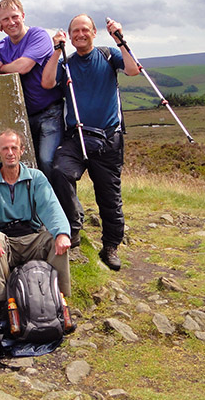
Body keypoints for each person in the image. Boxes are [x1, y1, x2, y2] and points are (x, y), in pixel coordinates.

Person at [42, 15, 140, 271]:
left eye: (85, 30)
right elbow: (48, 82)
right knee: (59, 172)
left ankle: (110, 246)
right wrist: (56, 51)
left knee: (109, 195)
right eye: (75, 31)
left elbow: (132, 69)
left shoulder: (109, 55)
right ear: (70, 36)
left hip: (109, 138)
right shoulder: (66, 63)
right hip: (76, 137)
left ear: (94, 32)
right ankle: (74, 227)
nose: (80, 34)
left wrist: (120, 39)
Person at [0, 129, 72, 311]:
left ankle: (58, 299)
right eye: (5, 149)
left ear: (22, 150)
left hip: (32, 237)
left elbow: (51, 206)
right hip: (6, 239)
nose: (10, 153)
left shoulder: (36, 178)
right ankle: (1, 304)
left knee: (55, 241)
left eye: (14, 148)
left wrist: (62, 233)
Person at [0, 0, 63, 179]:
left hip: (50, 112)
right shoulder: (1, 46)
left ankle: (58, 204)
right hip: (23, 116)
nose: (11, 22)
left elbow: (24, 66)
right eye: (5, 19)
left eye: (15, 16)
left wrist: (1, 69)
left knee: (48, 161)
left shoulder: (38, 35)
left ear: (23, 15)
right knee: (30, 164)